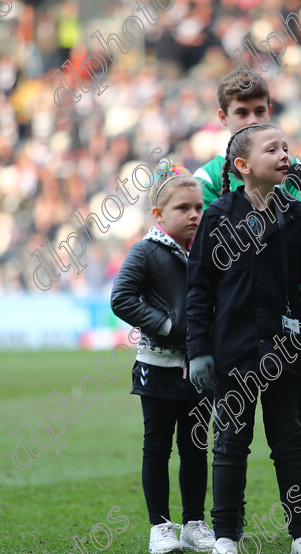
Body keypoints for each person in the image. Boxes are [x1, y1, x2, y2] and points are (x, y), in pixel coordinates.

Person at [192, 69, 301, 540]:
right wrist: (198, 351)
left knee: (290, 444)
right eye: (271, 150)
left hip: (285, 353)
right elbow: (200, 290)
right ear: (241, 166)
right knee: (230, 446)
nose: (285, 156)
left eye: (285, 148)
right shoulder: (215, 215)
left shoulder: (298, 217)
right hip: (233, 351)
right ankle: (225, 537)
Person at [110, 164, 216, 554]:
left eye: (199, 207)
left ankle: (194, 523)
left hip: (200, 369)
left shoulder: (205, 251)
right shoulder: (146, 251)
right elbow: (121, 298)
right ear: (159, 215)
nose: (194, 215)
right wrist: (168, 326)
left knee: (195, 447)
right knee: (156, 447)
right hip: (157, 366)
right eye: (183, 208)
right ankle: (160, 527)